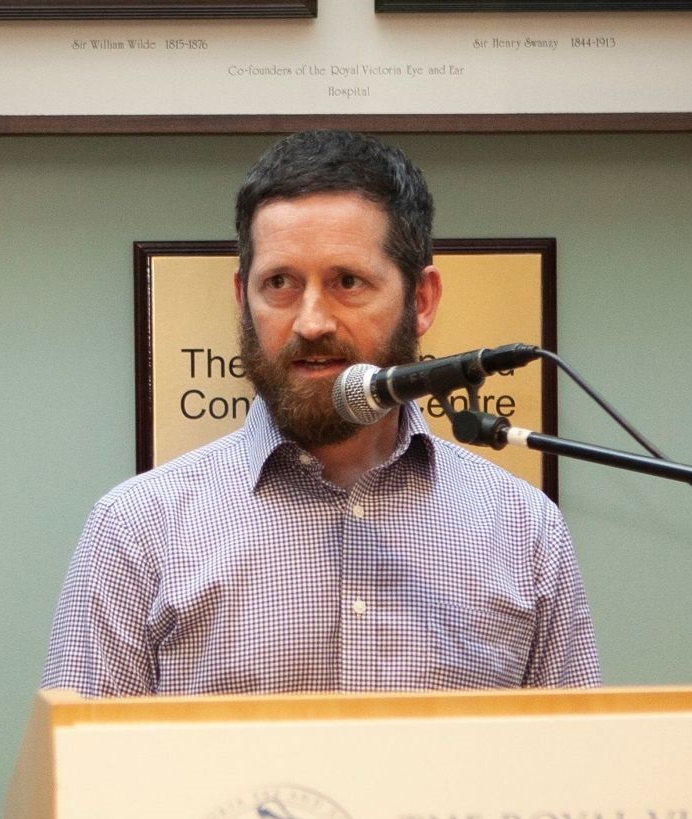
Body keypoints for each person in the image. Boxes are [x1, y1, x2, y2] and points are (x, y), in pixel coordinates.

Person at [41, 130, 600, 696]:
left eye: (347, 282)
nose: (311, 323)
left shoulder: (524, 529)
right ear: (243, 299)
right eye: (279, 283)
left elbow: (576, 773)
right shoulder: (138, 531)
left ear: (422, 300)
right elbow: (86, 776)